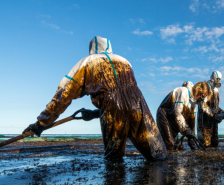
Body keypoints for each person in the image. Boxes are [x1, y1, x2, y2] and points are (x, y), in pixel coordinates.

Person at [23, 36, 167, 160]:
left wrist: (41, 124)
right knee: (158, 154)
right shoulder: (125, 61)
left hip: (111, 106)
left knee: (114, 159)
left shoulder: (87, 62)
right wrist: (94, 114)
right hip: (139, 103)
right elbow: (125, 100)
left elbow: (63, 96)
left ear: (92, 49)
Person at [157, 81, 209, 150]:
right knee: (170, 144)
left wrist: (192, 142)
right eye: (202, 96)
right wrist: (187, 131)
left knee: (175, 145)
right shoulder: (183, 92)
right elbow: (177, 114)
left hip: (173, 120)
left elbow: (191, 123)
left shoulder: (193, 102)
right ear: (198, 89)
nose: (202, 99)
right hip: (164, 115)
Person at [197, 71, 224, 147]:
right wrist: (214, 115)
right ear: (213, 78)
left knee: (215, 142)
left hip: (213, 120)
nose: (218, 81)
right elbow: (203, 106)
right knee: (205, 143)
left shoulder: (216, 90)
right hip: (204, 120)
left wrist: (223, 113)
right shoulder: (205, 88)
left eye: (219, 79)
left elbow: (216, 107)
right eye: (217, 79)